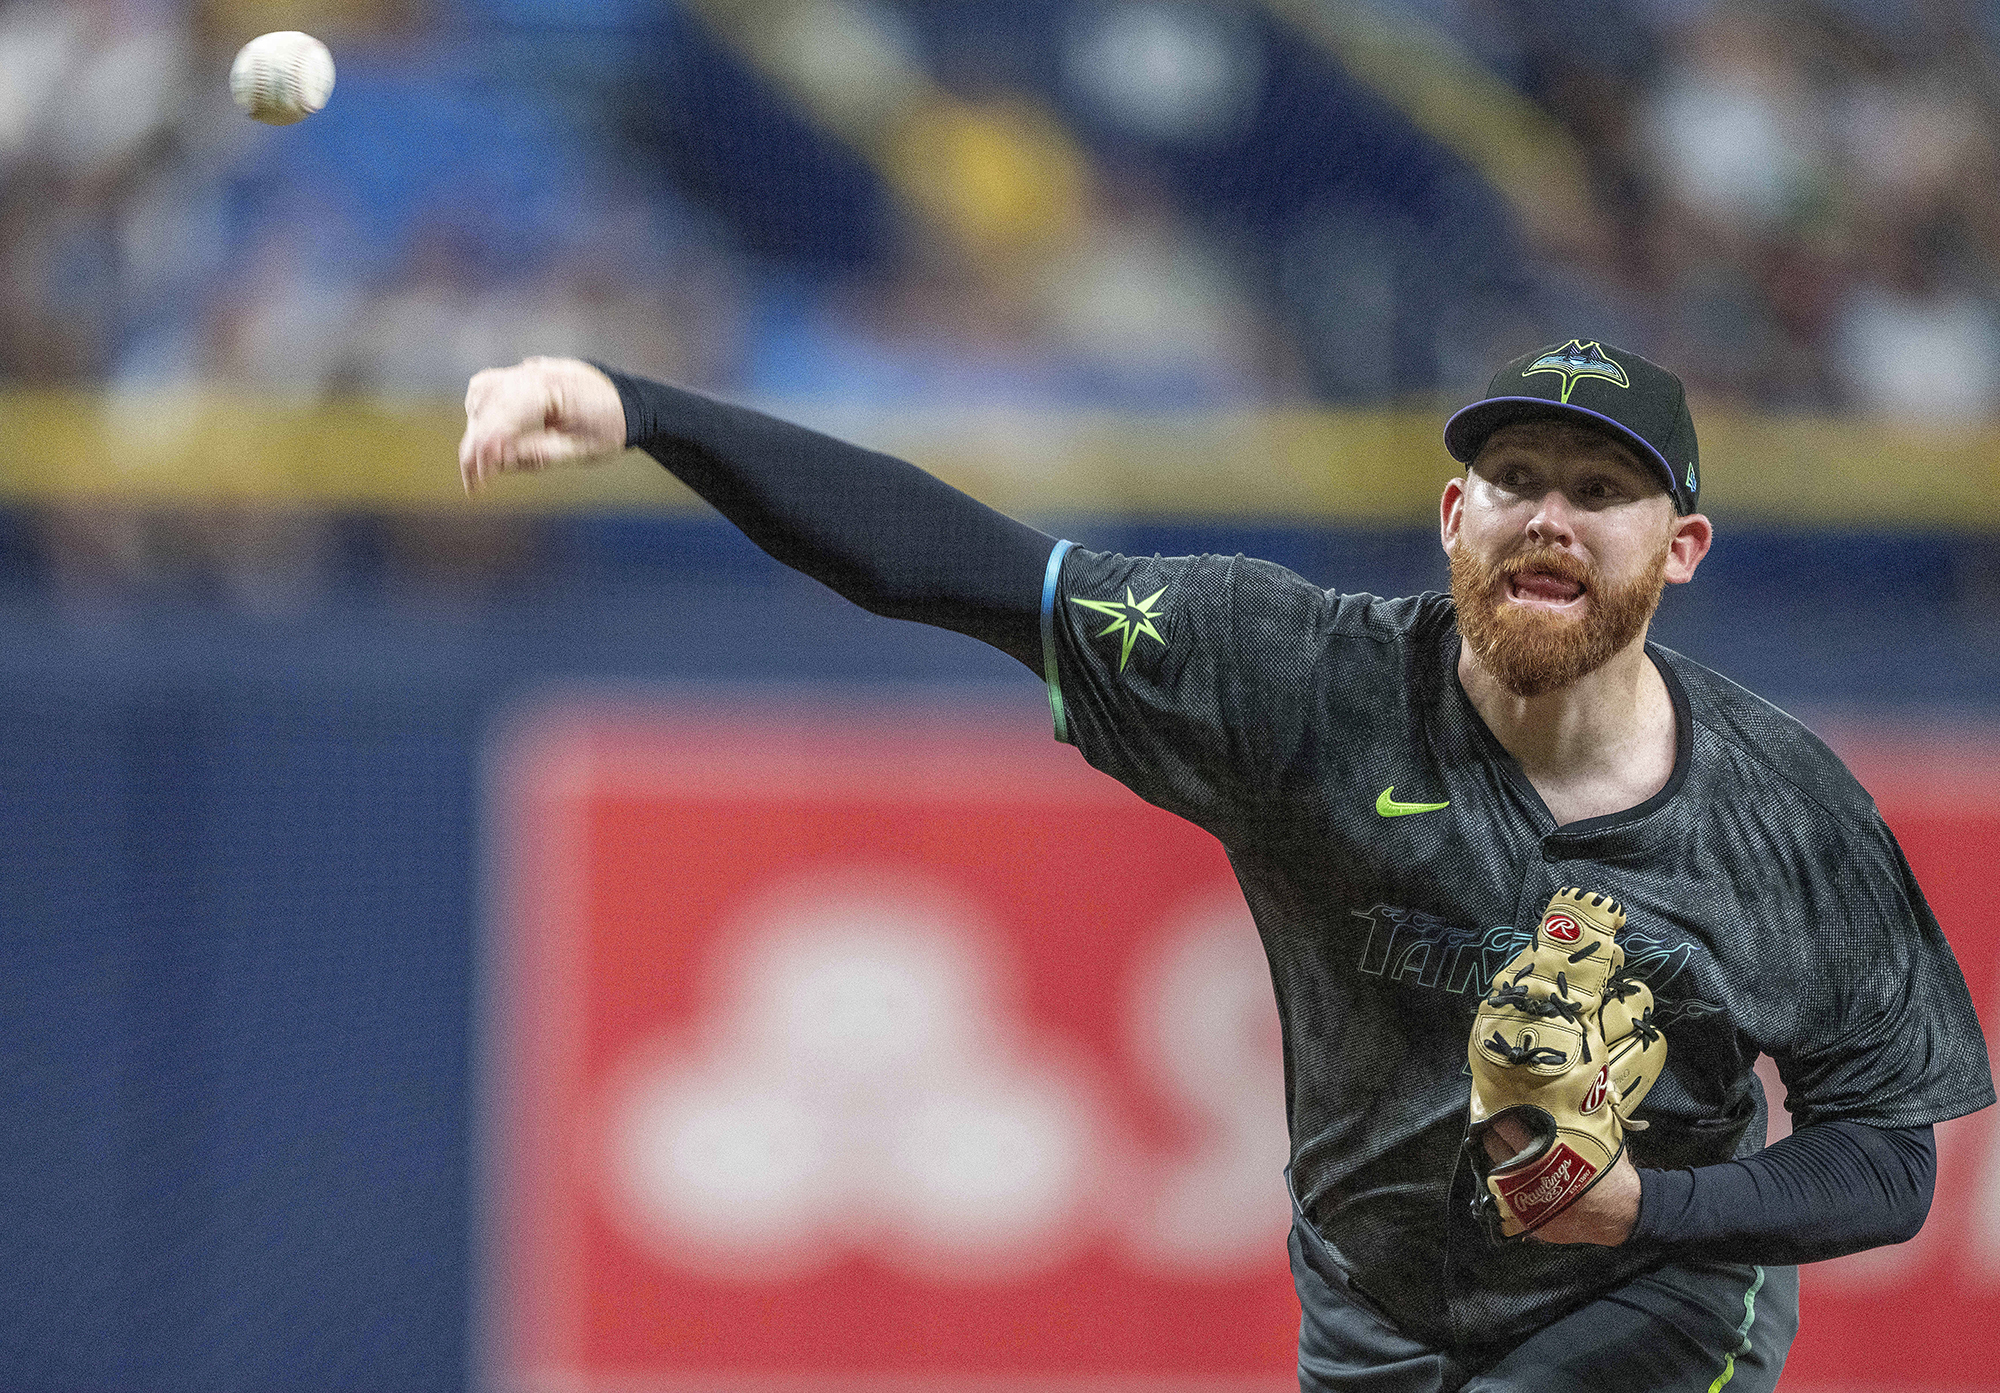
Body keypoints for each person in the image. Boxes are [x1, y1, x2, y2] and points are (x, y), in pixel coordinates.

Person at [458, 339, 1994, 1392]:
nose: (1550, 516)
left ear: (1683, 548)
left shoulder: (1784, 812)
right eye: (1515, 478)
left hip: (1654, 1307)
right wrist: (636, 405)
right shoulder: (1291, 676)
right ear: (1454, 516)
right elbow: (959, 563)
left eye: (1601, 491)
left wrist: (1640, 1208)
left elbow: (1888, 1160)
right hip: (1377, 1304)